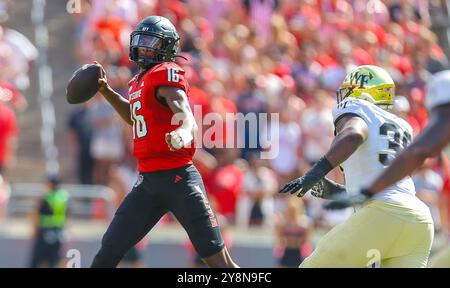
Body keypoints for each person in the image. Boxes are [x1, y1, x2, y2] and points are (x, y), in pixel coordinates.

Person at [90, 16, 238, 268]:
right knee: (108, 251)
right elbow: (133, 117)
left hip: (179, 179)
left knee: (218, 262)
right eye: (142, 40)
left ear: (167, 48)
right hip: (148, 181)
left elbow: (186, 115)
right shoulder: (138, 81)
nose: (144, 46)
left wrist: (182, 132)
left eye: (151, 41)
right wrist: (106, 91)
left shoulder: (165, 74)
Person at [280, 65, 434, 267]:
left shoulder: (357, 108)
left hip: (382, 215)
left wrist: (316, 172)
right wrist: (340, 191)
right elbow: (390, 183)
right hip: (419, 222)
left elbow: (354, 134)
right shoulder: (403, 125)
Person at [327, 70, 450, 267]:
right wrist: (350, 192)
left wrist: (366, 192)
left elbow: (418, 152)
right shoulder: (399, 127)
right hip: (413, 216)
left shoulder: (361, 116)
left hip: (387, 213)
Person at [29, 175, 69, 268]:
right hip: (58, 232)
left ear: (51, 184)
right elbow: (67, 215)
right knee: (54, 261)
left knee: (36, 261)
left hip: (44, 232)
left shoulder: (45, 197)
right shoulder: (63, 197)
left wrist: (34, 231)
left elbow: (37, 215)